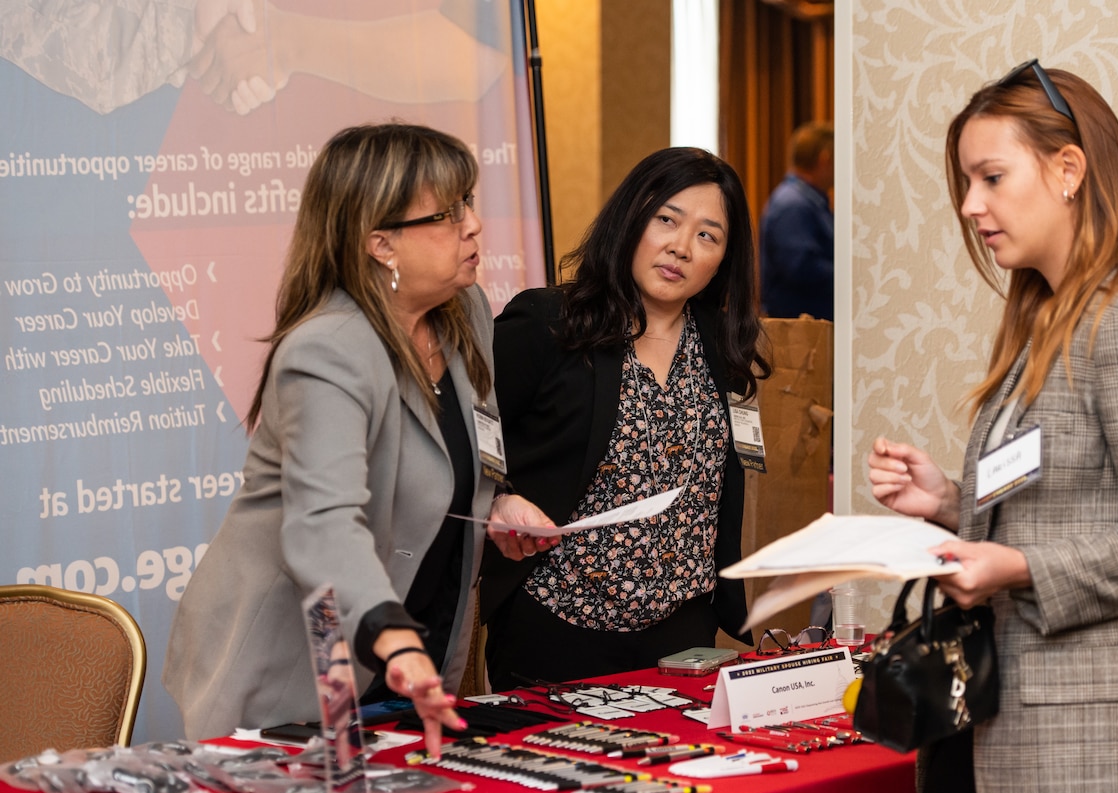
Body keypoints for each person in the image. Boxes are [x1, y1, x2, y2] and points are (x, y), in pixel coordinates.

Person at [867, 60, 1118, 793]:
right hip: (1000, 734)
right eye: (968, 183)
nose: (971, 206)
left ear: (1069, 170)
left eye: (992, 177)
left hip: (1090, 766)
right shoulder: (1044, 326)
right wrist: (949, 500)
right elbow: (1064, 497)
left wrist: (1020, 568)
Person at [163, 122, 554, 757]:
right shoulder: (328, 349)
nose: (474, 226)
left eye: (471, 204)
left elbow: (463, 449)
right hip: (295, 666)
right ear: (381, 244)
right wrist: (392, 636)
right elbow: (322, 524)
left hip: (412, 657)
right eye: (449, 214)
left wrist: (499, 498)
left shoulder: (469, 311)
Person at [480, 147, 772, 690]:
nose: (681, 248)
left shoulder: (723, 347)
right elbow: (468, 437)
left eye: (708, 236)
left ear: (724, 259)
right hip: (557, 626)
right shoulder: (548, 324)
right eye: (667, 220)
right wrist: (501, 494)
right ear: (631, 218)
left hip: (683, 636)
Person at [758, 121, 835, 320]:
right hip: (803, 328)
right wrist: (853, 274)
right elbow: (801, 267)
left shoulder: (807, 201)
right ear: (825, 158)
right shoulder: (794, 204)